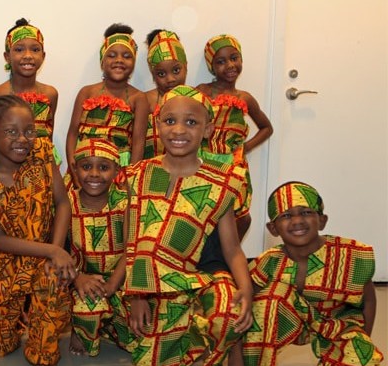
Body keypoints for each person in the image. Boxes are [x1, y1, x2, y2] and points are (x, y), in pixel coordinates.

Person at [123, 86, 253, 366]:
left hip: (206, 275)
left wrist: (246, 288)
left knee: (229, 316)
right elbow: (133, 241)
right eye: (170, 121)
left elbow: (232, 248)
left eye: (191, 122)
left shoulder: (221, 181)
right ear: (157, 126)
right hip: (159, 283)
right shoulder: (138, 175)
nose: (179, 130)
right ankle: (192, 329)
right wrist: (138, 295)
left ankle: (226, 356)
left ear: (207, 129)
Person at [222, 182, 383, 366]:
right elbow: (240, 310)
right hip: (291, 322)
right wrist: (235, 365)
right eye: (286, 215)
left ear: (322, 220)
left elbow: (369, 302)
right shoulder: (268, 262)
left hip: (335, 323)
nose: (297, 220)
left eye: (306, 212)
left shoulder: (352, 255)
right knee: (268, 299)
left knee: (363, 360)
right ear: (273, 228)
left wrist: (363, 339)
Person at [0, 95, 75, 366]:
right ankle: (16, 321)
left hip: (39, 255)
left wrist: (55, 250)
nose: (23, 139)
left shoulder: (43, 154)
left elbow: (62, 203)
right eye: (11, 132)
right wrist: (51, 251)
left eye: (29, 131)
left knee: (53, 277)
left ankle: (43, 352)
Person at [197, 34, 272, 238]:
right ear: (212, 67)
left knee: (237, 214)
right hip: (204, 163)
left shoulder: (244, 98)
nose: (230, 65)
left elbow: (267, 127)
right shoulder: (201, 92)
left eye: (234, 58)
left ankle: (228, 257)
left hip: (233, 167)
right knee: (203, 211)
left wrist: (245, 148)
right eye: (220, 62)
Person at [67, 138, 130, 357]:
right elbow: (58, 250)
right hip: (81, 281)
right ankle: (79, 326)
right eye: (86, 167)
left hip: (120, 280)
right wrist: (77, 278)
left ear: (116, 170)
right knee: (88, 308)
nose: (94, 174)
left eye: (103, 167)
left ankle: (110, 326)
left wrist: (114, 283)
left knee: (141, 337)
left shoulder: (125, 204)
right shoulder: (67, 203)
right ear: (75, 169)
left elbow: (131, 248)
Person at [64, 23, 148, 185]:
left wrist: (129, 177)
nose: (119, 60)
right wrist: (73, 168)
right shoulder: (86, 92)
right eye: (112, 55)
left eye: (126, 56)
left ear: (134, 62)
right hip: (84, 169)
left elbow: (138, 143)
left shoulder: (138, 98)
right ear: (102, 61)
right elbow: (73, 134)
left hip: (119, 172)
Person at [0, 18, 60, 164]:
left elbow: (48, 139)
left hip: (41, 169)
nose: (28, 55)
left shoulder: (50, 94)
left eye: (35, 49)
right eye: (19, 49)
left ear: (43, 56)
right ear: (7, 57)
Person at [142, 29, 187, 159]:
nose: (170, 79)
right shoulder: (144, 101)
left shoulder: (197, 100)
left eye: (176, 70)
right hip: (151, 174)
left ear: (186, 66)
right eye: (161, 74)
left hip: (189, 176)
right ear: (153, 74)